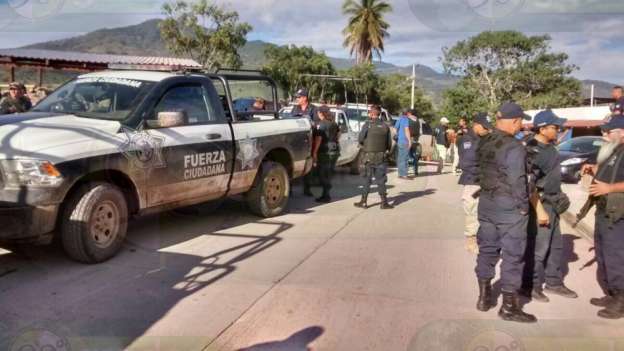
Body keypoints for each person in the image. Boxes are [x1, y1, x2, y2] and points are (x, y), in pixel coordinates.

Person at [474, 102, 536, 323]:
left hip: (487, 202)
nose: (521, 126)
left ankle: (483, 298)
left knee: (487, 248)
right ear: (515, 121)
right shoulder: (514, 147)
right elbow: (518, 179)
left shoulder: (485, 141)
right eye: (520, 121)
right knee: (513, 255)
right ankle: (509, 308)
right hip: (508, 206)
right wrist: (523, 207)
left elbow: (475, 169)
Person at [522, 110, 578, 303]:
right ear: (543, 128)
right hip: (541, 204)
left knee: (556, 246)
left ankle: (554, 282)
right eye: (555, 127)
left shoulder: (551, 147)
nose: (558, 130)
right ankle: (532, 286)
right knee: (539, 247)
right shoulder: (532, 150)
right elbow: (529, 184)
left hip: (553, 203)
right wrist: (540, 210)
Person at [582, 116, 624, 319]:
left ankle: (621, 301)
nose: (604, 135)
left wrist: (610, 188)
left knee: (616, 256)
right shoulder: (615, 150)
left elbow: (614, 182)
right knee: (603, 254)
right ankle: (611, 294)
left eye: (608, 131)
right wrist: (593, 170)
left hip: (618, 213)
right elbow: (610, 172)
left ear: (622, 132)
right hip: (603, 210)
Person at [458, 112, 492, 254]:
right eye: (485, 127)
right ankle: (471, 240)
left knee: (486, 212)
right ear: (476, 125)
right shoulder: (467, 140)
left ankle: (485, 239)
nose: (487, 129)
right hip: (474, 181)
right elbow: (468, 163)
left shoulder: (486, 138)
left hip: (488, 181)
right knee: (472, 211)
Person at [354, 105, 394, 210]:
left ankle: (364, 202)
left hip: (368, 157)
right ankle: (384, 202)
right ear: (379, 114)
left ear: (371, 114)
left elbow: (360, 139)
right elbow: (389, 144)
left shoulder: (367, 125)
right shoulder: (385, 126)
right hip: (381, 157)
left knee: (367, 179)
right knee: (381, 180)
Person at [305, 105, 340, 203]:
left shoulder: (321, 124)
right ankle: (326, 194)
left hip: (324, 152)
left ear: (321, 113)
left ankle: (326, 196)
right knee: (328, 173)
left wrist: (314, 152)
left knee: (322, 174)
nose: (317, 114)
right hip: (334, 151)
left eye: (318, 112)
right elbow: (338, 134)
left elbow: (318, 139)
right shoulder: (333, 123)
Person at [394, 111, 413, 179]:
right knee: (405, 158)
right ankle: (404, 174)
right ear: (407, 113)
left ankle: (400, 174)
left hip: (399, 141)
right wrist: (409, 141)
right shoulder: (406, 119)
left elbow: (395, 129)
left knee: (400, 158)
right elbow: (406, 130)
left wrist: (398, 135)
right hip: (405, 141)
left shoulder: (399, 119)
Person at [406, 109, 421, 176]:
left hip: (409, 139)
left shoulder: (407, 120)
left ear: (409, 113)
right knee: (415, 155)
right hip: (416, 139)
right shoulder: (418, 120)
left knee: (407, 155)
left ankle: (407, 170)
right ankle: (416, 171)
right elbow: (420, 132)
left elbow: (406, 130)